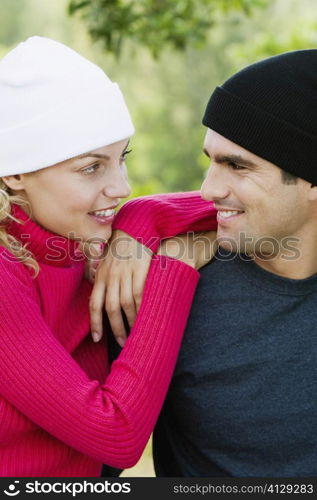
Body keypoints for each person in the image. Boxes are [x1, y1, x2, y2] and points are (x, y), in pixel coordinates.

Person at [0, 35, 218, 477]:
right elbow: (115, 434)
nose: (121, 187)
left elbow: (249, 202)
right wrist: (175, 265)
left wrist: (143, 218)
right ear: (16, 171)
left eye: (122, 159)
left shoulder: (76, 237)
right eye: (91, 167)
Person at [98, 49, 317, 477]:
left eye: (238, 166)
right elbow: (89, 473)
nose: (208, 189)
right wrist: (142, 218)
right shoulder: (157, 290)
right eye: (211, 160)